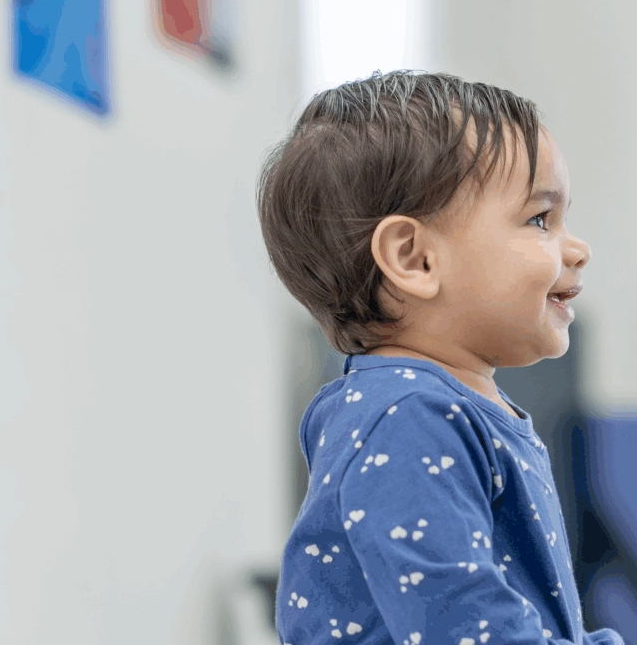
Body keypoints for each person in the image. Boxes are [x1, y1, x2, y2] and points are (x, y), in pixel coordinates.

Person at [258, 72, 617, 645]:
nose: (578, 248)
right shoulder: (404, 416)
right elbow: (466, 625)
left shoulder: (447, 408)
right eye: (539, 220)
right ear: (415, 258)